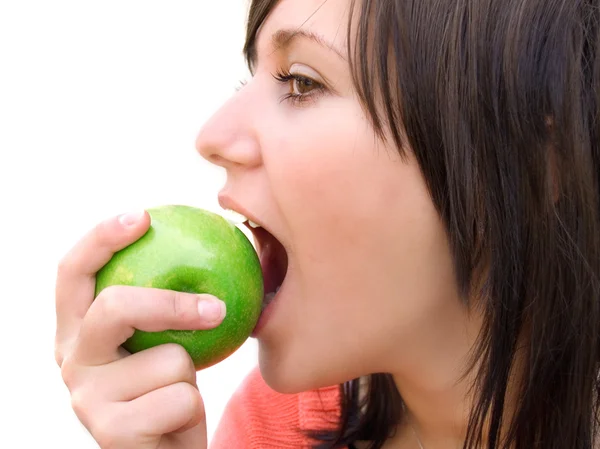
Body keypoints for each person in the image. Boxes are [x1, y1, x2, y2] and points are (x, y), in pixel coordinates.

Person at [54, 0, 600, 448]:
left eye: (300, 82)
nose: (212, 136)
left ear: (526, 165)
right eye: (249, 79)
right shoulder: (276, 429)